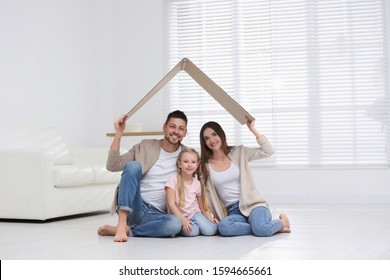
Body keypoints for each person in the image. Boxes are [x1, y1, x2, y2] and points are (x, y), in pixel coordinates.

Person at [97, 110, 188, 242]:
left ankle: (129, 231)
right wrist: (119, 134)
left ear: (185, 132)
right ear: (164, 127)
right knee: (133, 166)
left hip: (157, 214)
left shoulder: (187, 156)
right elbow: (113, 165)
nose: (176, 131)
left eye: (181, 128)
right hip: (135, 207)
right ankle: (121, 224)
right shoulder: (145, 146)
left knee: (174, 224)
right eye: (172, 126)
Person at [199, 119, 291, 237]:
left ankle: (282, 222)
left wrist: (252, 129)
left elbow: (268, 151)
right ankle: (262, 226)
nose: (211, 140)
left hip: (253, 205)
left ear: (221, 134)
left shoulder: (238, 152)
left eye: (214, 134)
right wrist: (207, 213)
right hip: (233, 212)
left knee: (261, 230)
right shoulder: (204, 165)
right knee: (223, 227)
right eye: (206, 138)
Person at [165, 147, 218, 237]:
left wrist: (210, 217)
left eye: (193, 162)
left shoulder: (197, 184)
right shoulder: (173, 180)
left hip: (195, 214)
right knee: (193, 232)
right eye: (186, 162)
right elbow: (171, 204)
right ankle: (188, 226)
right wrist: (183, 220)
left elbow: (202, 207)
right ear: (179, 164)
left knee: (211, 230)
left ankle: (197, 224)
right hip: (179, 215)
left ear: (197, 165)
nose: (190, 165)